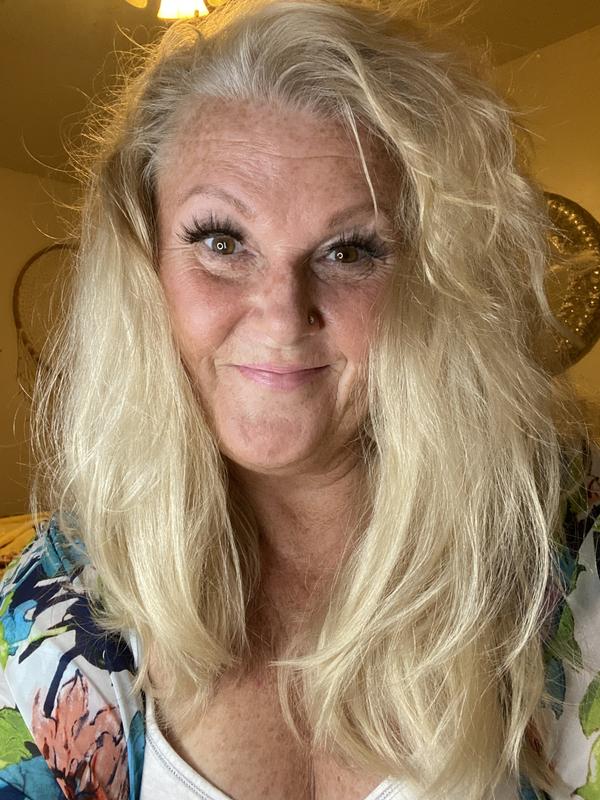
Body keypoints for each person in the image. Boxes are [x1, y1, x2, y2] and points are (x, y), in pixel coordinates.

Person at [1, 0, 599, 798]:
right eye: (221, 241)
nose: (282, 315)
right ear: (146, 264)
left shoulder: (566, 552)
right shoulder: (51, 606)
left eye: (350, 250)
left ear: (430, 281)